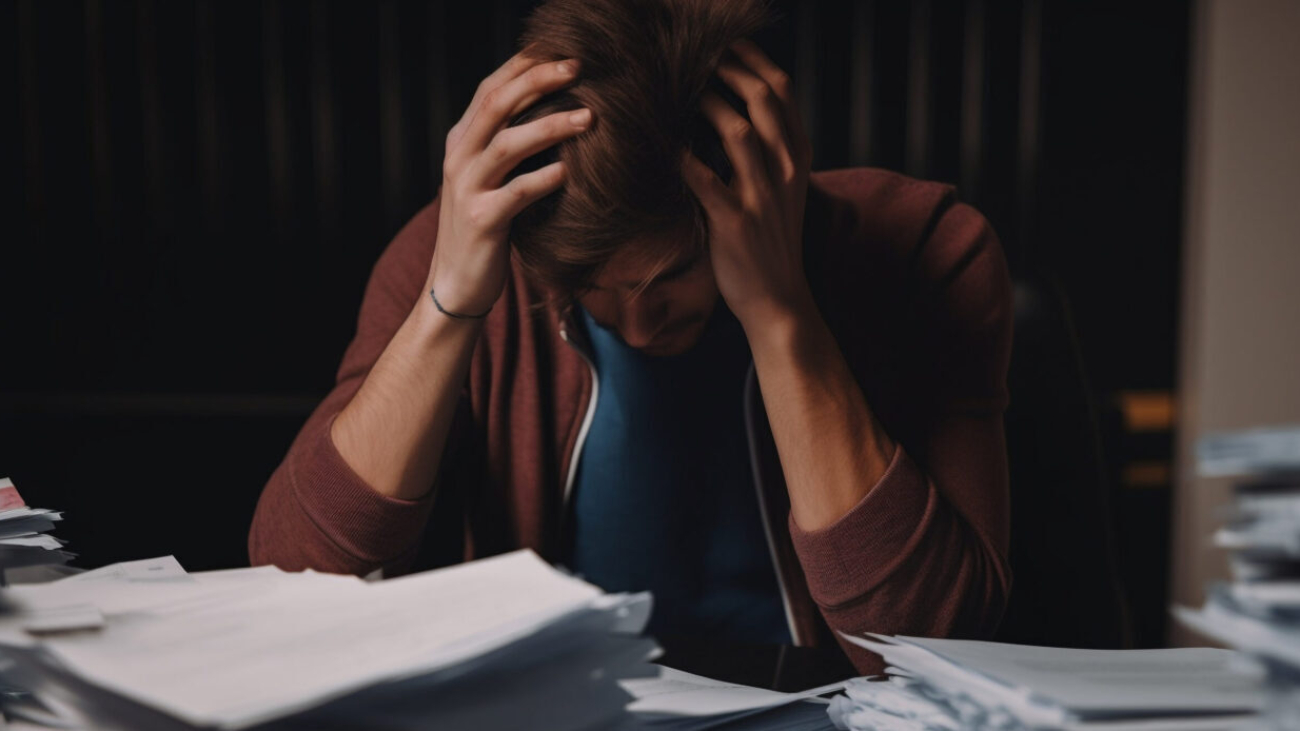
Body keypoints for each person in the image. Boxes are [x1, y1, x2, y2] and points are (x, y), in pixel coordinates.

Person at [248, 0, 1013, 673]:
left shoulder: (928, 250)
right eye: (591, 292)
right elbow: (298, 580)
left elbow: (935, 642)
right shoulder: (461, 254)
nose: (639, 323)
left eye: (673, 274)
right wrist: (448, 305)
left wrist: (780, 312)